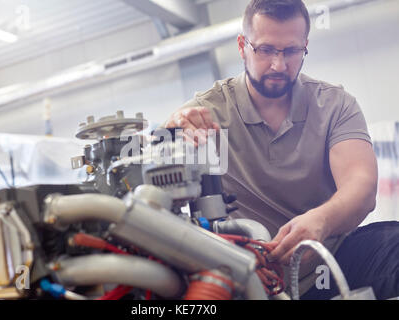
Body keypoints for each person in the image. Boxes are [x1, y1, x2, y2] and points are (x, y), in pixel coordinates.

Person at [164, 0, 399, 299]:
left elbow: (361, 188)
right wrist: (169, 135)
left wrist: (321, 221)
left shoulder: (335, 105)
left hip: (328, 261)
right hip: (247, 278)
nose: (278, 64)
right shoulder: (205, 111)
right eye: (265, 50)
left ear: (305, 46)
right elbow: (147, 168)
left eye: (291, 51)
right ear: (242, 46)